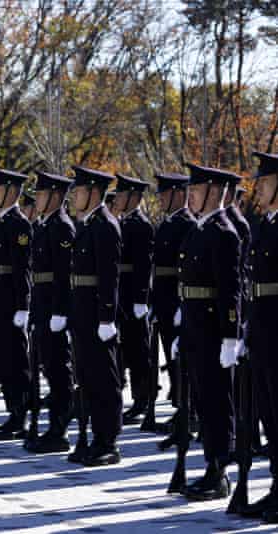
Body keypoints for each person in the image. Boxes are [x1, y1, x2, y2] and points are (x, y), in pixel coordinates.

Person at [174, 164, 242, 500]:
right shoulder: (197, 231)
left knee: (217, 401)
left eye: (197, 191)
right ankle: (209, 465)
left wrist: (230, 336)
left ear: (213, 193)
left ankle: (220, 470)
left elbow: (230, 291)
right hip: (195, 327)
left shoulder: (224, 233)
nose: (191, 197)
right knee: (202, 399)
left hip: (214, 332)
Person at [68, 166, 123, 466]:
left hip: (97, 316)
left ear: (92, 192)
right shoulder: (87, 225)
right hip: (82, 311)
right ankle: (91, 437)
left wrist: (106, 318)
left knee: (104, 379)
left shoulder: (105, 225)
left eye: (78, 190)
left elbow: (108, 276)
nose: (74, 195)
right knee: (87, 378)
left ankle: (108, 441)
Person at [25, 171, 76, 453]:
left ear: (56, 196)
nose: (38, 199)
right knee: (47, 367)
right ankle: (51, 425)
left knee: (58, 370)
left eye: (42, 194)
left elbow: (62, 274)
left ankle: (60, 428)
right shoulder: (44, 226)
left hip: (54, 310)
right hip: (42, 307)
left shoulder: (62, 227)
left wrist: (60, 311)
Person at [242, 151, 278, 522]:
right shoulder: (264, 224)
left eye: (266, 182)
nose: (260, 188)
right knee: (269, 414)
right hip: (263, 329)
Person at [0, 168, 33, 440]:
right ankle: (10, 412)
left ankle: (19, 415)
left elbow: (21, 268)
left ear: (12, 192)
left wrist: (23, 305)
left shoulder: (19, 224)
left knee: (15, 360)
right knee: (0, 358)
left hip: (11, 301)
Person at [150, 172, 195, 430]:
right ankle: (181, 405)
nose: (161, 199)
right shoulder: (166, 224)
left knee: (183, 359)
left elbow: (186, 270)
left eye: (165, 194)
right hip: (165, 300)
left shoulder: (187, 224)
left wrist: (181, 304)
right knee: (170, 353)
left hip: (179, 300)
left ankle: (188, 408)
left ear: (179, 194)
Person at [112, 174, 155, 425]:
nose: (117, 198)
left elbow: (143, 266)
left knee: (138, 349)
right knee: (122, 348)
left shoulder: (141, 225)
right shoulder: (121, 222)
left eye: (121, 193)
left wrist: (141, 299)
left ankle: (142, 399)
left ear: (134, 197)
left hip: (132, 295)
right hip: (120, 293)